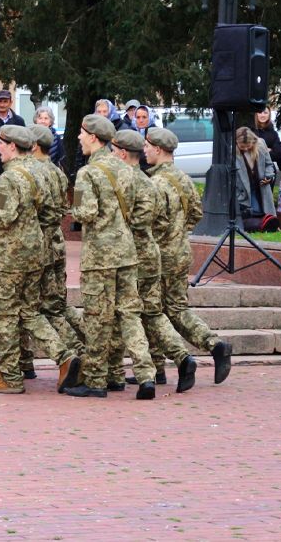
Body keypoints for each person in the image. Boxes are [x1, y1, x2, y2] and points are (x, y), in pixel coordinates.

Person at [0, 125, 81, 394]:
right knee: (29, 310)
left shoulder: (12, 178)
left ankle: (11, 376)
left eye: (1, 143)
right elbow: (54, 211)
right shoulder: (39, 171)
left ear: (13, 146)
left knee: (6, 313)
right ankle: (63, 356)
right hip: (37, 249)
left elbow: (1, 217)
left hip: (13, 253)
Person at [65, 115, 154, 399]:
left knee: (97, 318)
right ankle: (146, 374)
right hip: (127, 253)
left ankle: (96, 380)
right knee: (129, 315)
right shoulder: (126, 169)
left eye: (81, 134)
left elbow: (85, 212)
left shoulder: (87, 173)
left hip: (100, 256)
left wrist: (74, 209)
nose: (78, 138)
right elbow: (142, 212)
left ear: (93, 137)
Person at [109, 130, 197, 394]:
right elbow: (185, 215)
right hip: (156, 253)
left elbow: (130, 222)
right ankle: (179, 358)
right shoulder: (152, 181)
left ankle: (121, 372)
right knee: (153, 311)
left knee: (126, 313)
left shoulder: (134, 181)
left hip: (133, 255)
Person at [145, 127, 233, 385]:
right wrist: (178, 231)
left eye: (148, 146)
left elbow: (153, 223)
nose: (145, 151)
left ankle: (160, 366)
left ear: (159, 149)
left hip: (161, 255)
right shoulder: (183, 178)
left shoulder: (155, 183)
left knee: (154, 311)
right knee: (171, 308)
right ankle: (210, 347)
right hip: (181, 251)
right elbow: (195, 213)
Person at [234, 127, 278, 226]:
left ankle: (269, 225)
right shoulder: (232, 152)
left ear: (253, 142)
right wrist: (239, 195)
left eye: (248, 146)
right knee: (253, 214)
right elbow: (231, 177)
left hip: (261, 187)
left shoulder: (261, 144)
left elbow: (269, 164)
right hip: (244, 191)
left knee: (265, 214)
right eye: (242, 147)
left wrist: (268, 176)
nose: (245, 149)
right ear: (236, 143)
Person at [253, 109, 281, 183]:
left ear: (269, 115)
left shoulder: (273, 134)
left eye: (265, 113)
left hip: (268, 171)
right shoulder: (251, 130)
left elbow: (277, 154)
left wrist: (257, 150)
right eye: (260, 112)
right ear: (256, 114)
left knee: (267, 193)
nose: (262, 115)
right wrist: (267, 150)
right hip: (251, 171)